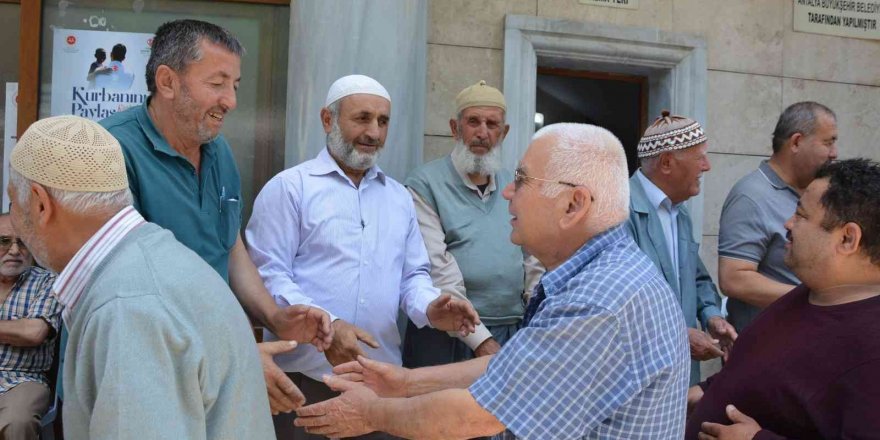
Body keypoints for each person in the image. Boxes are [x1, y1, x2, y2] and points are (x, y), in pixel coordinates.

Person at [293, 123, 690, 439]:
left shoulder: (600, 302)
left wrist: (370, 411)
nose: (508, 192)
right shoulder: (598, 275)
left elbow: (476, 415)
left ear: (574, 205)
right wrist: (405, 383)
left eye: (522, 179)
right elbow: (515, 371)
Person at [99, 19, 331, 416]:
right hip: (134, 374)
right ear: (168, 82)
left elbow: (231, 247)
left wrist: (274, 316)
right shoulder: (110, 150)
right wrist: (235, 352)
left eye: (235, 85)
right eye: (217, 83)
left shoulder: (218, 150)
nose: (231, 101)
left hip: (203, 374)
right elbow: (136, 290)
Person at [7, 115, 275, 438]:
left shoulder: (128, 307)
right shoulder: (146, 264)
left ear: (39, 204)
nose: (13, 221)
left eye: (13, 203)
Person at [246, 74, 481, 439]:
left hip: (381, 383)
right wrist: (329, 326)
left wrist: (433, 308)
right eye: (362, 118)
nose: (374, 132)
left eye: (383, 121)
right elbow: (269, 277)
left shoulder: (398, 198)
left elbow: (413, 277)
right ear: (328, 119)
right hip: (305, 381)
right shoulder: (291, 188)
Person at [687, 159, 880, 439]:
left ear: (848, 239)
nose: (788, 223)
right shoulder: (810, 292)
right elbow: (767, 368)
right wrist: (706, 391)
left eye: (801, 215)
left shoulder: (872, 347)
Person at [402, 80, 543, 366]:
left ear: (503, 133)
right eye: (473, 122)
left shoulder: (514, 185)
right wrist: (480, 340)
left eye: (492, 124)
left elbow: (534, 258)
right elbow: (437, 268)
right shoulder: (424, 183)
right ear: (455, 128)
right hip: (447, 336)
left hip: (512, 333)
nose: (482, 133)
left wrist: (538, 319)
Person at [626, 111, 736, 385]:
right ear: (666, 163)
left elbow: (695, 277)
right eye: (700, 158)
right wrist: (678, 337)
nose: (707, 166)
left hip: (678, 377)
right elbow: (619, 303)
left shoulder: (679, 211)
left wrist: (711, 316)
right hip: (639, 377)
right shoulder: (619, 211)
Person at [718, 102, 837, 332]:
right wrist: (816, 299)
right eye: (828, 142)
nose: (834, 153)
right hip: (768, 347)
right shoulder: (750, 196)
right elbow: (733, 278)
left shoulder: (815, 191)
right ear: (796, 142)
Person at [0, 214, 59, 439]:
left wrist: (21, 330)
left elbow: (33, 332)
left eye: (22, 242)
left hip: (23, 379)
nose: (14, 250)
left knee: (17, 420)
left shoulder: (47, 282)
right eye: (4, 241)